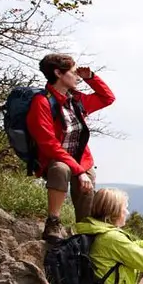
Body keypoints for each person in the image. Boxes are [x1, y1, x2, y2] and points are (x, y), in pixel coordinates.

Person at [29, 53, 115, 240]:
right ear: (58, 73)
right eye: (73, 72)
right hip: (55, 159)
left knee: (87, 183)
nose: (77, 77)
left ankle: (85, 232)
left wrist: (91, 78)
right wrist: (78, 171)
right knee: (61, 169)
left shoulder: (76, 100)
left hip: (80, 159)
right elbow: (49, 144)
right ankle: (53, 222)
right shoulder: (42, 102)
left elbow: (107, 98)